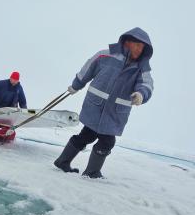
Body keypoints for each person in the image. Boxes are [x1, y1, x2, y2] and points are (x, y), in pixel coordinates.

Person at [54, 27, 154, 178]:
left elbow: (147, 84)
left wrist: (141, 94)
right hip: (95, 106)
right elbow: (88, 69)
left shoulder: (141, 67)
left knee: (91, 137)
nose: (140, 50)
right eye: (138, 45)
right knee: (100, 140)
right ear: (127, 42)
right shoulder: (105, 55)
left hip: (115, 112)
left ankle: (64, 162)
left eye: (143, 48)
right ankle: (91, 172)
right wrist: (76, 85)